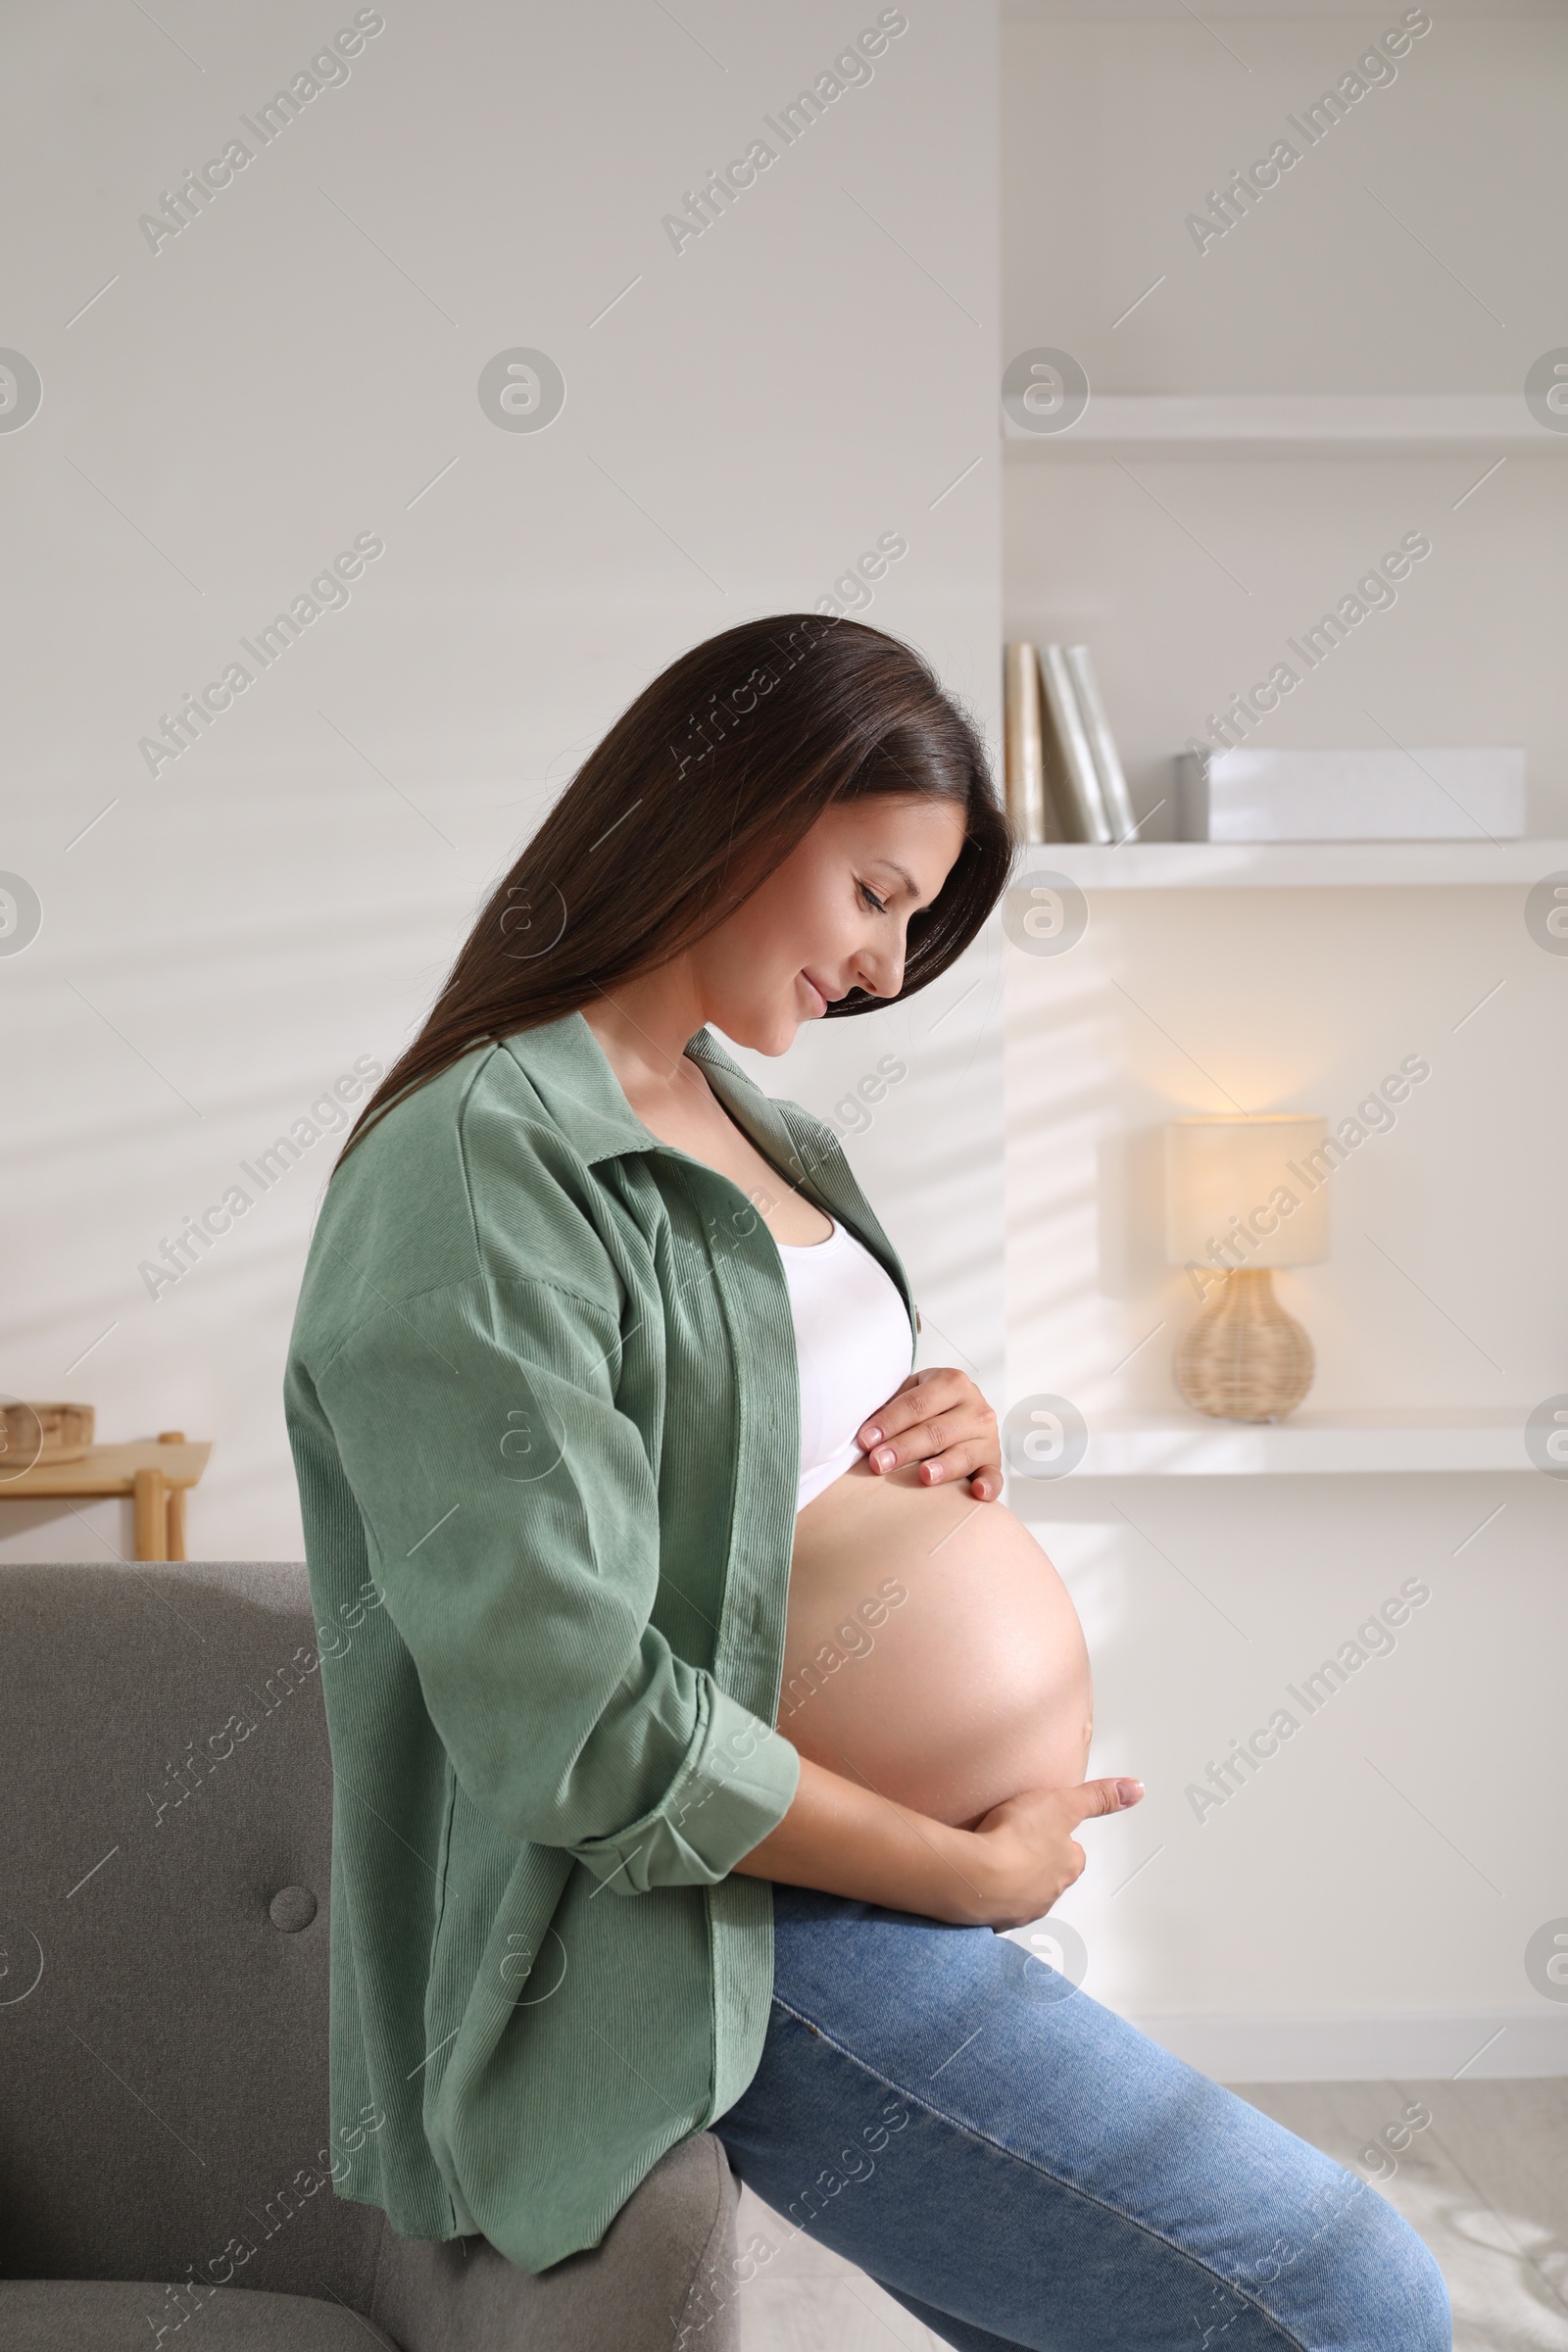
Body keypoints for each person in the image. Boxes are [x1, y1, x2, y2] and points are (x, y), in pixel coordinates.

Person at [284, 613, 1450, 2348]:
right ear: (738, 808)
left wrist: (946, 1429)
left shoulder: (754, 1124)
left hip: (858, 1898)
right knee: (1350, 2296)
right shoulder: (478, 1165)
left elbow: (769, 1470)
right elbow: (575, 1716)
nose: (892, 971)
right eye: (879, 897)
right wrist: (956, 1870)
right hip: (725, 1932)